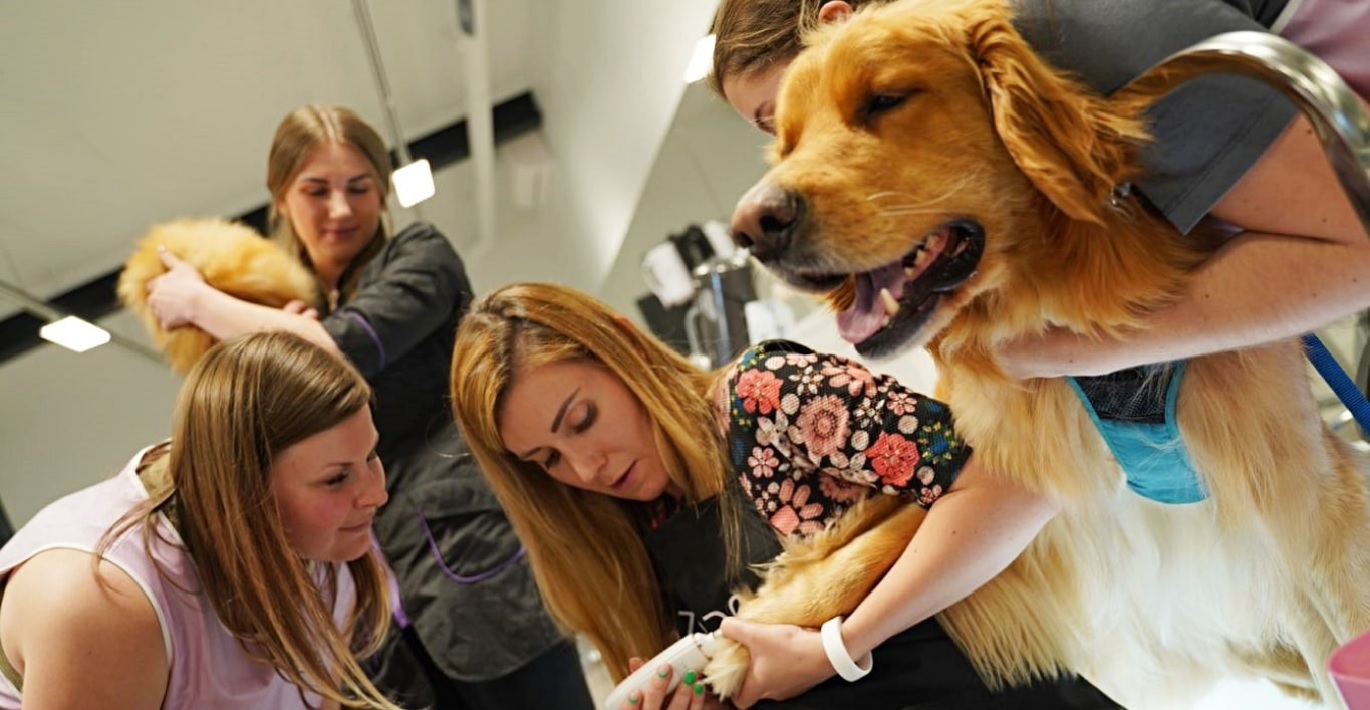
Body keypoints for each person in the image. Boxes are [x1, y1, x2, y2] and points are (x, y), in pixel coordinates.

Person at [450, 282, 1122, 709]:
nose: (586, 467)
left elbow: (1015, 480)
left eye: (583, 420)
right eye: (548, 461)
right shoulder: (636, 527)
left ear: (623, 345)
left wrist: (839, 644)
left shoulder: (766, 398)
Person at [143, 105, 593, 709]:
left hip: (474, 568)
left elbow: (339, 348)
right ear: (280, 199)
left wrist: (199, 302)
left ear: (382, 192)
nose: (340, 209)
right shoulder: (288, 309)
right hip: (369, 603)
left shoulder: (418, 258)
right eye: (316, 190)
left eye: (359, 188)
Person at [711, 0, 1370, 379]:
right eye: (786, 140)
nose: (785, 175)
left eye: (875, 103)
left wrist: (1078, 351)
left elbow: (1359, 246)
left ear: (840, 20)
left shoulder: (1070, 31)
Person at [0, 331, 402, 709]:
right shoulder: (100, 601)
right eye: (336, 479)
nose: (376, 494)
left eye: (370, 456)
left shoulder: (326, 541)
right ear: (247, 491)